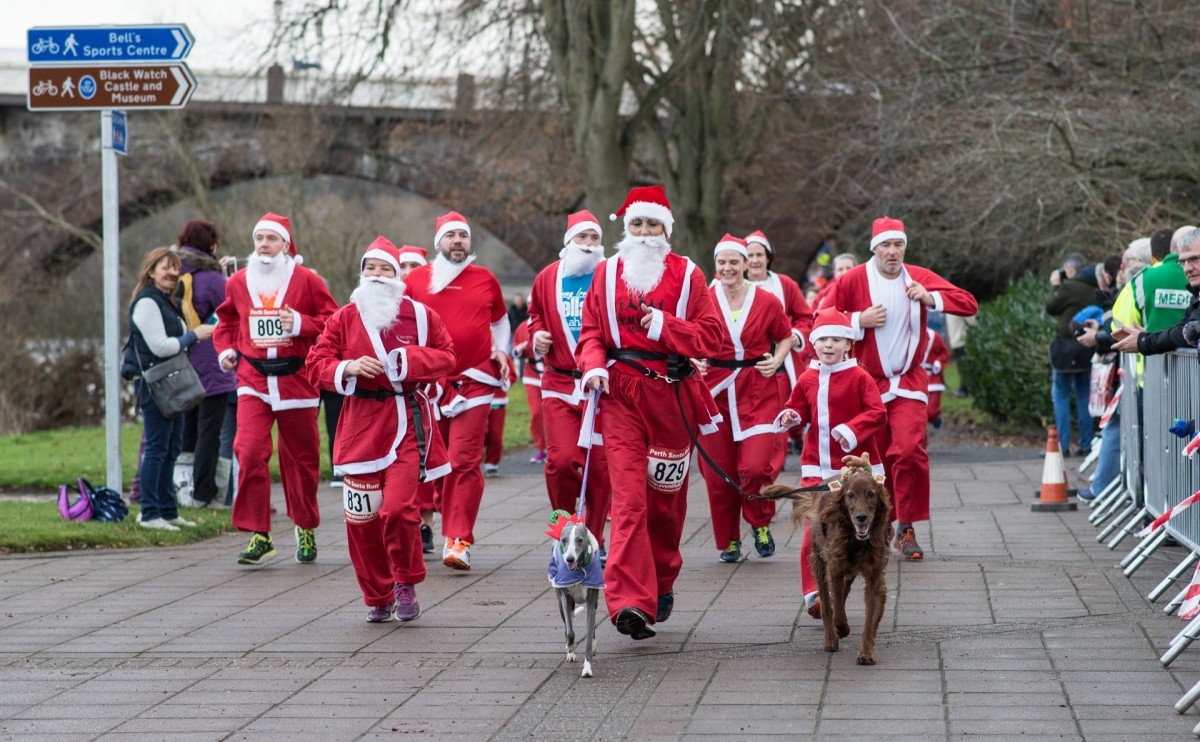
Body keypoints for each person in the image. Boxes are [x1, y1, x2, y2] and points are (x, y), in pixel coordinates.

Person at [576, 186, 724, 640]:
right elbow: (590, 333)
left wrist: (663, 326)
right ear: (626, 229)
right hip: (620, 395)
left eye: (652, 225)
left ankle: (661, 580)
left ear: (666, 230)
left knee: (664, 504)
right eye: (637, 224)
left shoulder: (688, 275)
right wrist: (593, 367)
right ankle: (628, 603)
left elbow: (712, 337)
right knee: (628, 502)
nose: (643, 233)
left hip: (670, 396)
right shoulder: (604, 274)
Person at [307, 237, 455, 623]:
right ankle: (377, 594)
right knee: (362, 521)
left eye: (385, 269)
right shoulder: (344, 318)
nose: (376, 275)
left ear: (397, 276)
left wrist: (409, 360)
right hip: (360, 428)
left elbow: (447, 357)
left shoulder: (422, 317)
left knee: (398, 510)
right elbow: (316, 363)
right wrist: (348, 368)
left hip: (406, 422)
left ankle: (404, 580)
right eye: (369, 268)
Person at [823, 216, 978, 560]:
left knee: (908, 451)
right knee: (875, 461)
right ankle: (884, 520)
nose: (892, 252)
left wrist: (931, 297)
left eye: (898, 245)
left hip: (908, 381)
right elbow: (821, 315)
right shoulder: (853, 279)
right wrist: (856, 321)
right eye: (886, 245)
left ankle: (906, 526)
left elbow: (968, 303)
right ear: (874, 248)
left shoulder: (916, 276)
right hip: (867, 384)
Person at [214, 212, 339, 565]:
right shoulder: (238, 282)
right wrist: (226, 351)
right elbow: (227, 321)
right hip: (253, 379)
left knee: (301, 459)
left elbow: (333, 321)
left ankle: (305, 526)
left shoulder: (307, 281)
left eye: (272, 239)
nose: (264, 245)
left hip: (296, 378)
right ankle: (260, 533)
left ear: (286, 244)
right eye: (259, 239)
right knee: (249, 450)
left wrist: (300, 323)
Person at [404, 211, 510, 571]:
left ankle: (459, 539)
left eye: (463, 236)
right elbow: (402, 320)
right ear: (438, 244)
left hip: (476, 379)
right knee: (436, 462)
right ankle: (425, 524)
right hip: (431, 383)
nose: (457, 242)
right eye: (450, 236)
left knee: (465, 460)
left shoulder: (485, 279)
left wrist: (501, 349)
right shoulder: (417, 280)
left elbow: (499, 320)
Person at [774, 308, 886, 616]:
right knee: (815, 530)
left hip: (854, 470)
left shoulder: (860, 377)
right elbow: (797, 407)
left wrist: (850, 430)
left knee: (856, 528)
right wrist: (791, 415)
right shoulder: (808, 377)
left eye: (836, 339)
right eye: (822, 339)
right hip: (816, 469)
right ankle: (815, 594)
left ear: (848, 344)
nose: (828, 345)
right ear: (813, 343)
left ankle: (858, 579)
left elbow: (878, 414)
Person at [697, 235, 795, 563]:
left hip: (757, 389)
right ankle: (728, 540)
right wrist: (692, 357)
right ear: (716, 265)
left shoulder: (766, 300)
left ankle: (760, 522)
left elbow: (785, 336)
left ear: (745, 264)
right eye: (722, 262)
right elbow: (686, 336)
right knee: (719, 474)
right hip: (714, 393)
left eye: (734, 262)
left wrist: (778, 359)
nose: (728, 268)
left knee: (754, 467)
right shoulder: (702, 298)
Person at [527, 210, 613, 555]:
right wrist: (538, 336)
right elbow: (534, 315)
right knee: (560, 461)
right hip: (559, 382)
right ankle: (563, 530)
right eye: (582, 238)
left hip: (602, 386)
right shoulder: (548, 277)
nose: (589, 245)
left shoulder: (609, 275)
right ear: (568, 243)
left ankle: (593, 539)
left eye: (594, 238)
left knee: (601, 468)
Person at [125, 247, 214, 530]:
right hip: (154, 384)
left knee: (172, 447)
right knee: (156, 448)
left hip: (169, 385)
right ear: (151, 271)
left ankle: (168, 510)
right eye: (166, 267)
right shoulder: (147, 302)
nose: (173, 273)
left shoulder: (167, 301)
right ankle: (150, 513)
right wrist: (194, 336)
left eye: (176, 268)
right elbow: (160, 347)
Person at [175, 220, 237, 507]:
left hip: (181, 361)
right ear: (211, 245)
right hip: (211, 363)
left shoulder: (175, 270)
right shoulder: (211, 278)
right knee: (209, 431)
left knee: (186, 430)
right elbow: (231, 311)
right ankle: (205, 493)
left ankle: (182, 489)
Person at [743, 230, 814, 462]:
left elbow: (807, 318)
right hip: (741, 366)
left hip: (779, 364)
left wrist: (795, 335)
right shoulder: (729, 285)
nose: (754, 260)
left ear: (768, 257)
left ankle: (772, 465)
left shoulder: (784, 285)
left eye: (759, 255)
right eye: (749, 255)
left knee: (777, 415)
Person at [1045, 252, 1096, 458]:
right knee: (1084, 395)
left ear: (1071, 270)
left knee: (1061, 394)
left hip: (1066, 347)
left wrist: (1056, 285)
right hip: (1087, 346)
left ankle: (1062, 446)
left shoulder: (1069, 286)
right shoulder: (1095, 286)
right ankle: (1086, 444)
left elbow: (1051, 307)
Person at [512, 319, 547, 464]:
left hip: (550, 373)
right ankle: (542, 449)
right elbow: (515, 348)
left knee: (553, 414)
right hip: (531, 375)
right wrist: (518, 350)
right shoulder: (522, 326)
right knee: (536, 414)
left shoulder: (550, 320)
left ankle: (555, 448)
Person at [922, 327, 950, 428]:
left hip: (932, 379)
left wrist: (939, 362)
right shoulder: (906, 334)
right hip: (912, 379)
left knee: (931, 412)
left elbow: (944, 353)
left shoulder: (934, 336)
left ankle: (935, 418)